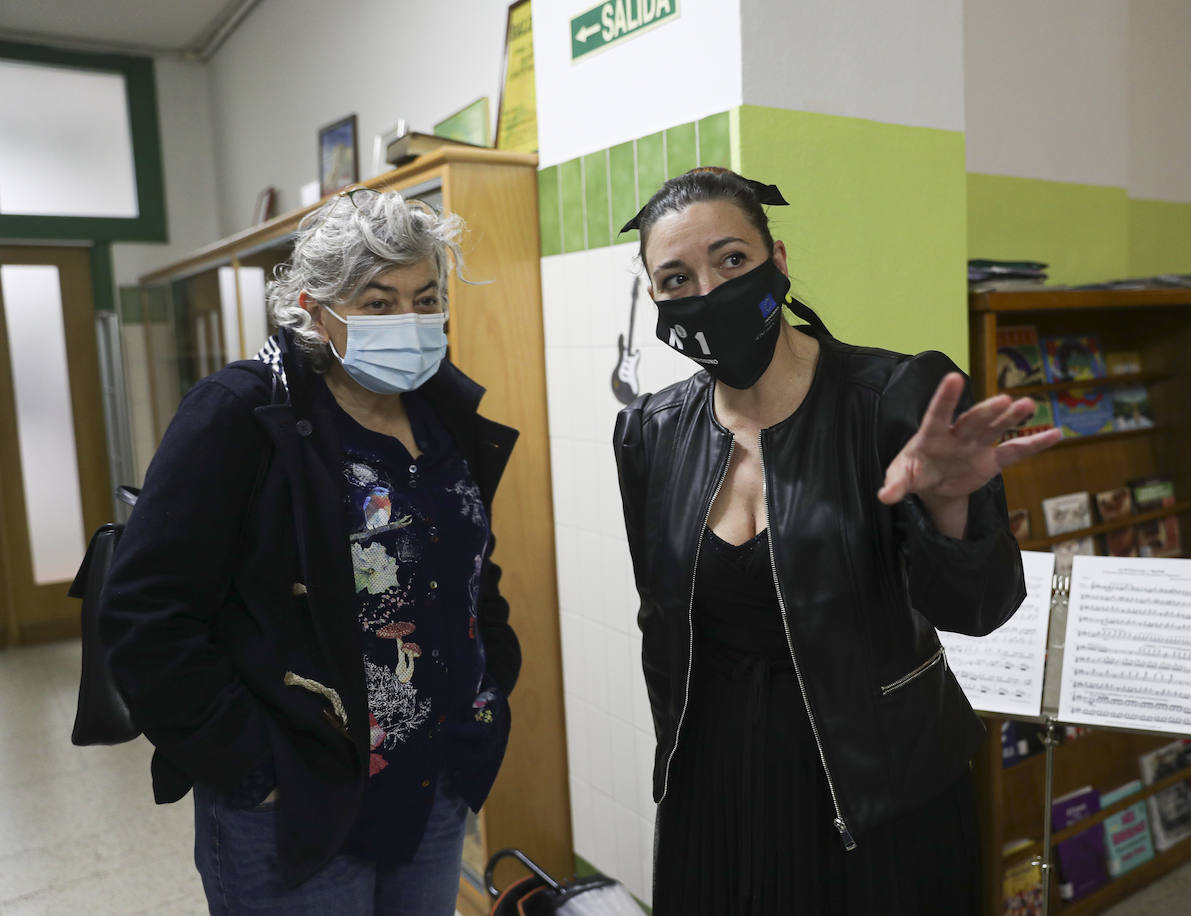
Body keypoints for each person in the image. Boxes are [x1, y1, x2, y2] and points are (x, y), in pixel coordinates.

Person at [613, 168, 1061, 914]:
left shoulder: (894, 401)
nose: (708, 291)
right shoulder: (649, 433)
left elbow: (979, 610)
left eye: (732, 260)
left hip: (879, 784)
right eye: (676, 278)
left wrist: (952, 508)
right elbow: (660, 621)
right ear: (656, 298)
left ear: (779, 262)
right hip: (714, 782)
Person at [101, 188, 521, 914]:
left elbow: (469, 566)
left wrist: (491, 683)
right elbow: (146, 613)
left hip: (434, 780)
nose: (410, 320)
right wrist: (253, 766)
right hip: (298, 800)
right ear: (315, 311)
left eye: (425, 299)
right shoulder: (241, 414)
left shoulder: (443, 414)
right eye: (378, 303)